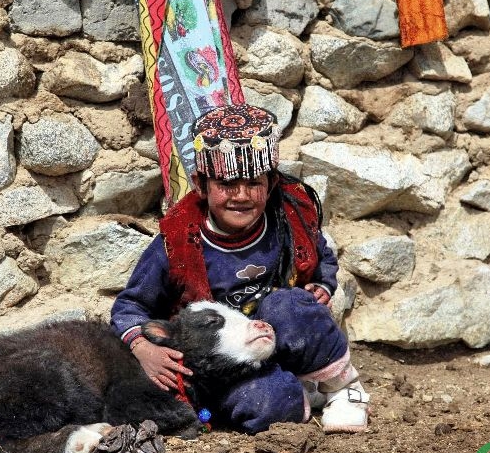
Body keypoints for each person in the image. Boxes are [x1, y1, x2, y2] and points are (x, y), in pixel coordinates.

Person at [110, 103, 369, 434]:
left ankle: (343, 387)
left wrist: (322, 284)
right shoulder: (176, 245)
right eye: (227, 184)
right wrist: (143, 348)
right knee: (263, 404)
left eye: (254, 183)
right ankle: (301, 392)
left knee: (288, 306)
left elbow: (322, 257)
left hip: (280, 335)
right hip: (229, 365)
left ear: (272, 182)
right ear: (201, 186)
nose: (242, 196)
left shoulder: (288, 221)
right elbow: (130, 305)